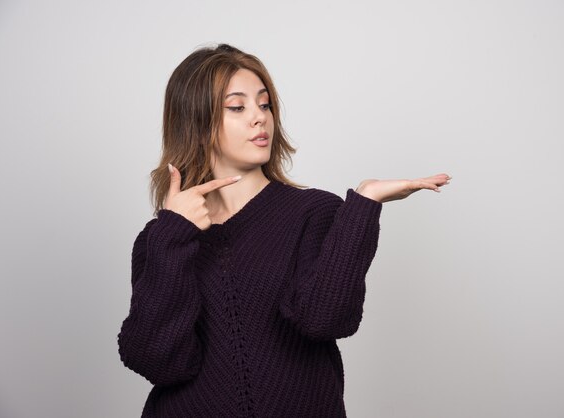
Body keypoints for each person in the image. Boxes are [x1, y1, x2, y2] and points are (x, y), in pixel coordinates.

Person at [117, 43, 451, 418]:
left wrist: (363, 205)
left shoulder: (315, 212)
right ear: (196, 121)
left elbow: (324, 319)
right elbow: (158, 361)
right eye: (237, 107)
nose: (259, 118)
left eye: (264, 104)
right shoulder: (159, 240)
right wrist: (174, 235)